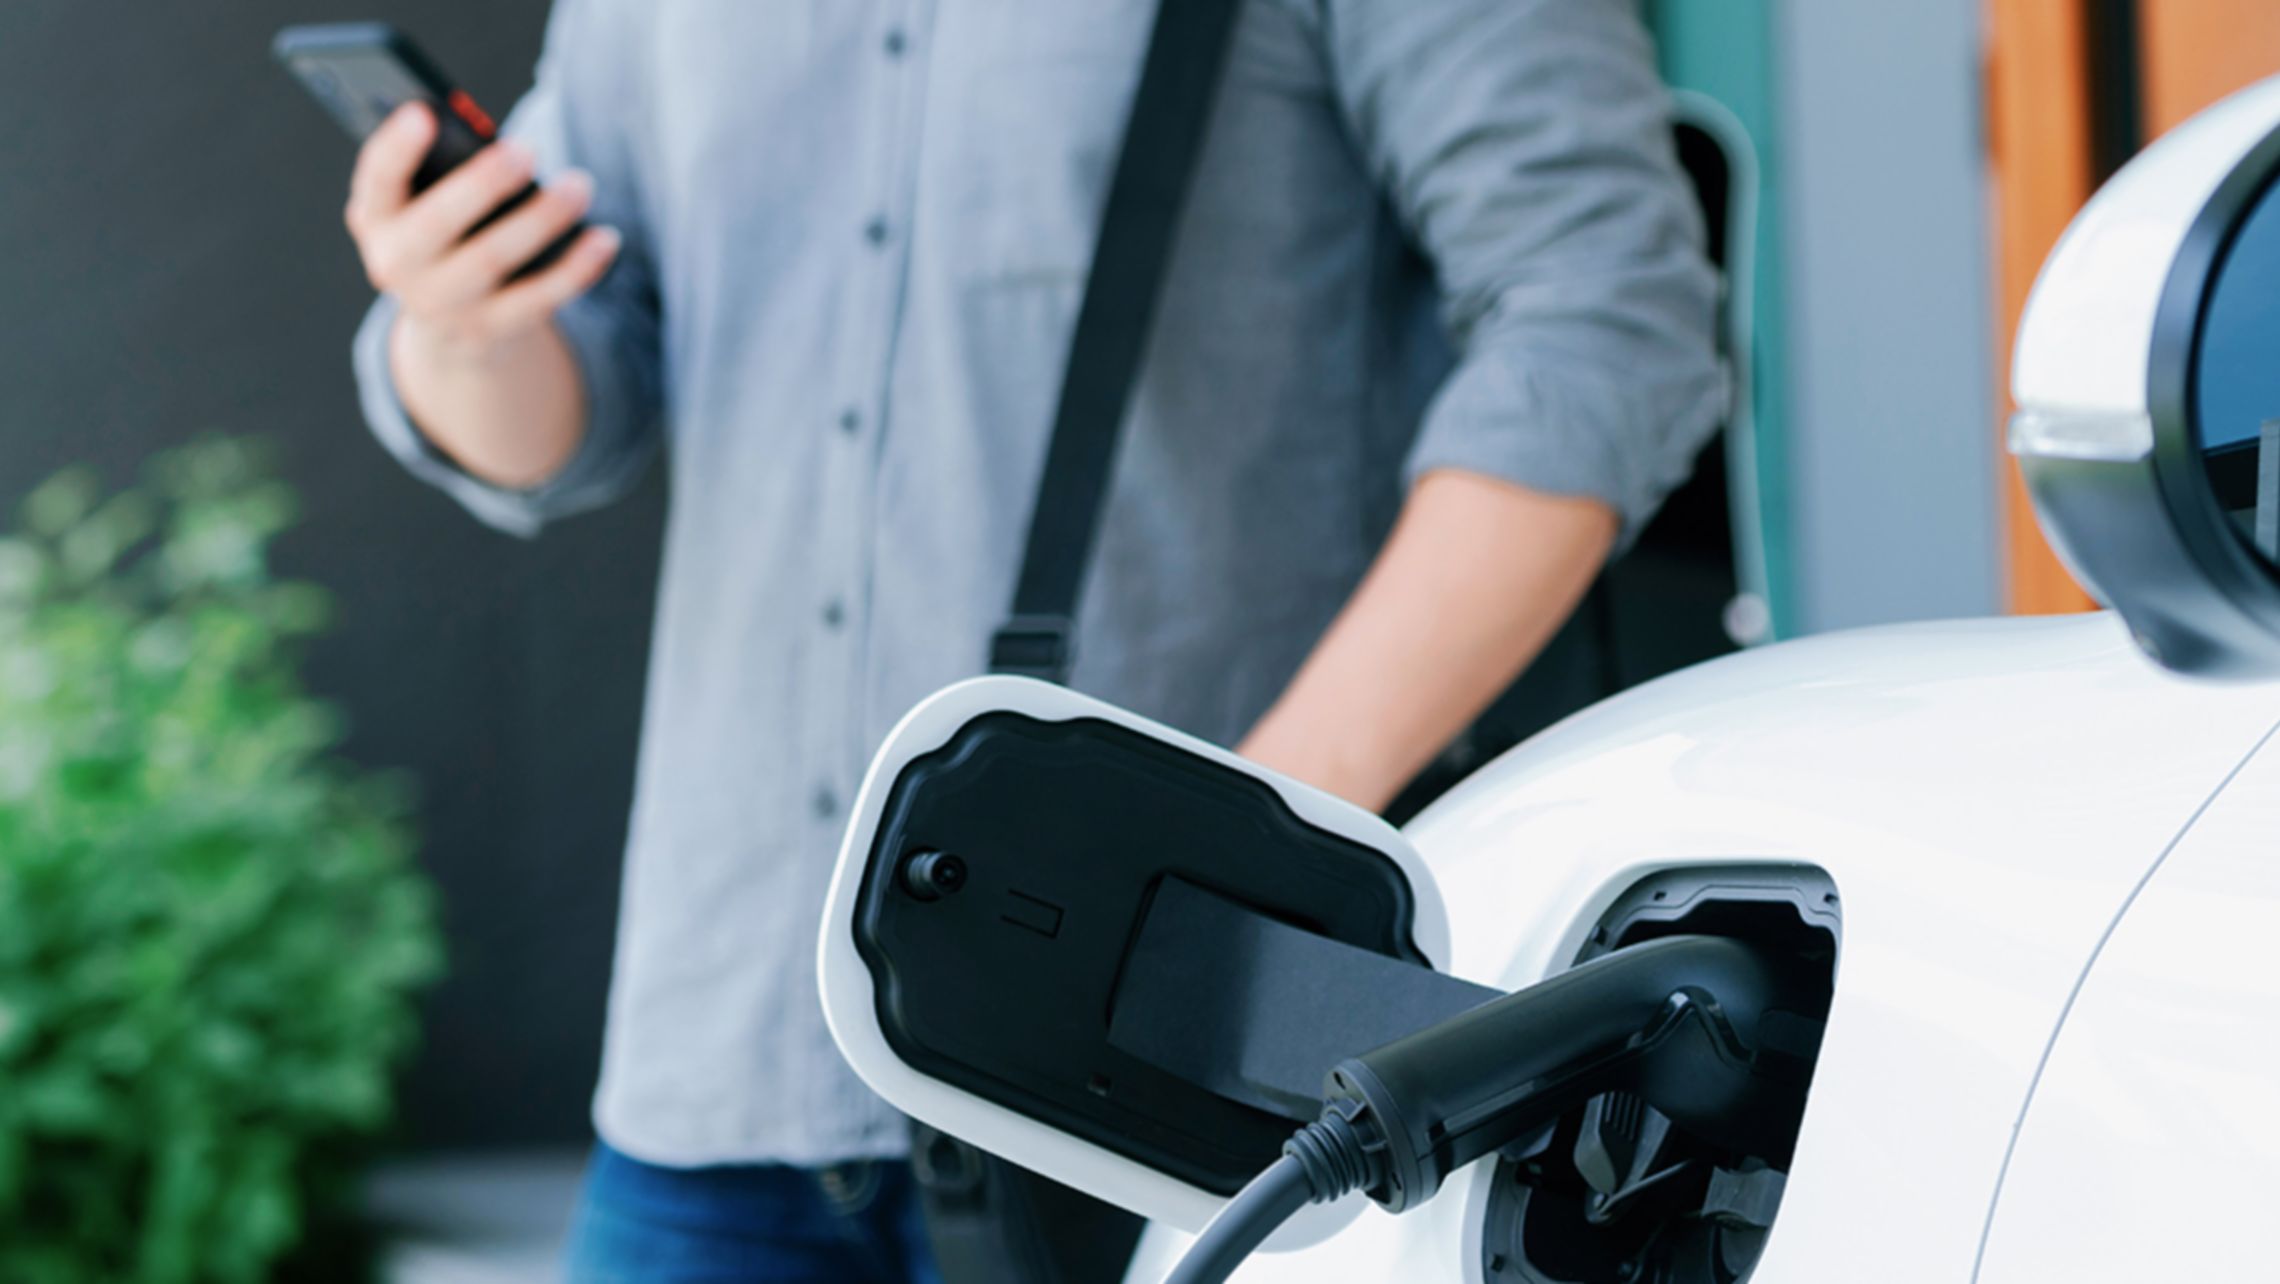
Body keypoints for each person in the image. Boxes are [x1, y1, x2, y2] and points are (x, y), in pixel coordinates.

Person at [342, 0, 1722, 1279]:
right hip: (721, 1065)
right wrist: (459, 321)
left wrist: (1253, 835)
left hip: (1166, 1077)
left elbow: (1606, 318)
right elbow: (570, 405)